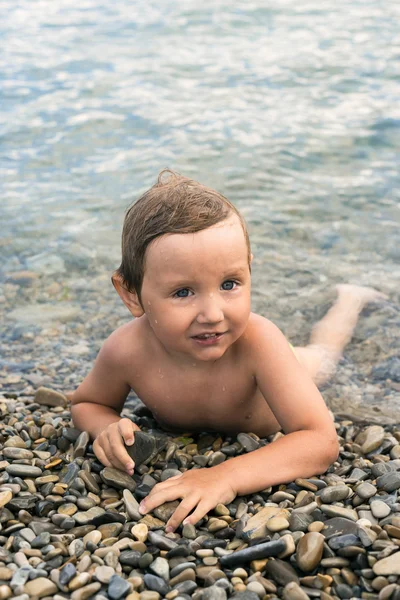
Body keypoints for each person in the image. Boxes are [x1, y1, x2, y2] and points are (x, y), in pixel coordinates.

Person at [70, 169, 386, 533]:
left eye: (230, 284)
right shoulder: (126, 349)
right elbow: (87, 404)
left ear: (250, 269)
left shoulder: (258, 342)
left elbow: (319, 440)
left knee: (323, 354)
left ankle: (351, 299)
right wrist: (106, 428)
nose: (213, 314)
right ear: (130, 294)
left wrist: (225, 476)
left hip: (289, 367)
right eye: (183, 292)